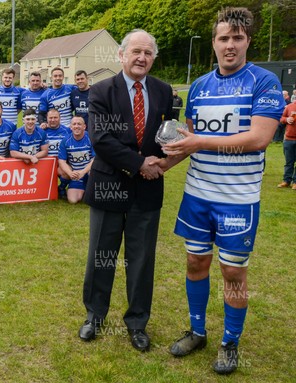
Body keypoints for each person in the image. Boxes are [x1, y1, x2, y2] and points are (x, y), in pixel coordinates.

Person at [153, 7, 284, 375]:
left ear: (247, 42)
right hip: (197, 195)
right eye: (223, 38)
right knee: (195, 262)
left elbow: (259, 139)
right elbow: (188, 141)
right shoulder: (198, 87)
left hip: (238, 199)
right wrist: (163, 164)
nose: (230, 45)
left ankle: (230, 342)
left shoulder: (264, 82)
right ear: (213, 43)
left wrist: (198, 143)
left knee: (233, 272)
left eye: (237, 38)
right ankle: (197, 331)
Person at [79, 29, 173, 353]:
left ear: (153, 58)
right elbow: (101, 139)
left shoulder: (163, 91)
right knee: (101, 256)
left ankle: (137, 323)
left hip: (147, 191)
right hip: (108, 186)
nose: (141, 58)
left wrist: (161, 161)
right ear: (121, 55)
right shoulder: (101, 91)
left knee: (142, 259)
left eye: (148, 53)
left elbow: (168, 135)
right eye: (136, 51)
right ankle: (95, 315)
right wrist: (138, 163)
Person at [58, 116, 95, 204]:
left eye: (79, 124)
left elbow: (95, 159)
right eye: (74, 124)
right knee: (73, 200)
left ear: (84, 126)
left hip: (89, 171)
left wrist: (83, 171)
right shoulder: (65, 141)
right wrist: (70, 173)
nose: (76, 126)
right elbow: (61, 161)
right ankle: (66, 187)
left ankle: (89, 189)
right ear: (71, 127)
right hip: (76, 174)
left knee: (94, 171)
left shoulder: (91, 138)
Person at [42, 108, 71, 198]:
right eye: (50, 118)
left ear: (60, 118)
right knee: (44, 191)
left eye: (55, 117)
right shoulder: (42, 131)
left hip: (60, 162)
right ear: (46, 118)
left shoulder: (67, 131)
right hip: (45, 163)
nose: (53, 120)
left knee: (68, 172)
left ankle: (61, 188)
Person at [278, 95, 296, 189]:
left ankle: (295, 182)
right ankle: (286, 181)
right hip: (289, 139)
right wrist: (286, 119)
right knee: (289, 162)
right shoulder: (289, 106)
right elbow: (281, 118)